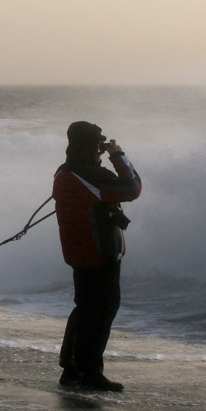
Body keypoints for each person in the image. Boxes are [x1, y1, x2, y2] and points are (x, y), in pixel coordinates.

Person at [52, 121, 141, 391]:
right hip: (98, 252)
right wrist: (118, 155)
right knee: (101, 311)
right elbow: (132, 188)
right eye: (98, 145)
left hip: (79, 250)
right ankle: (90, 373)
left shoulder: (66, 170)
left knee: (85, 308)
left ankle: (71, 369)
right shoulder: (90, 175)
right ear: (92, 146)